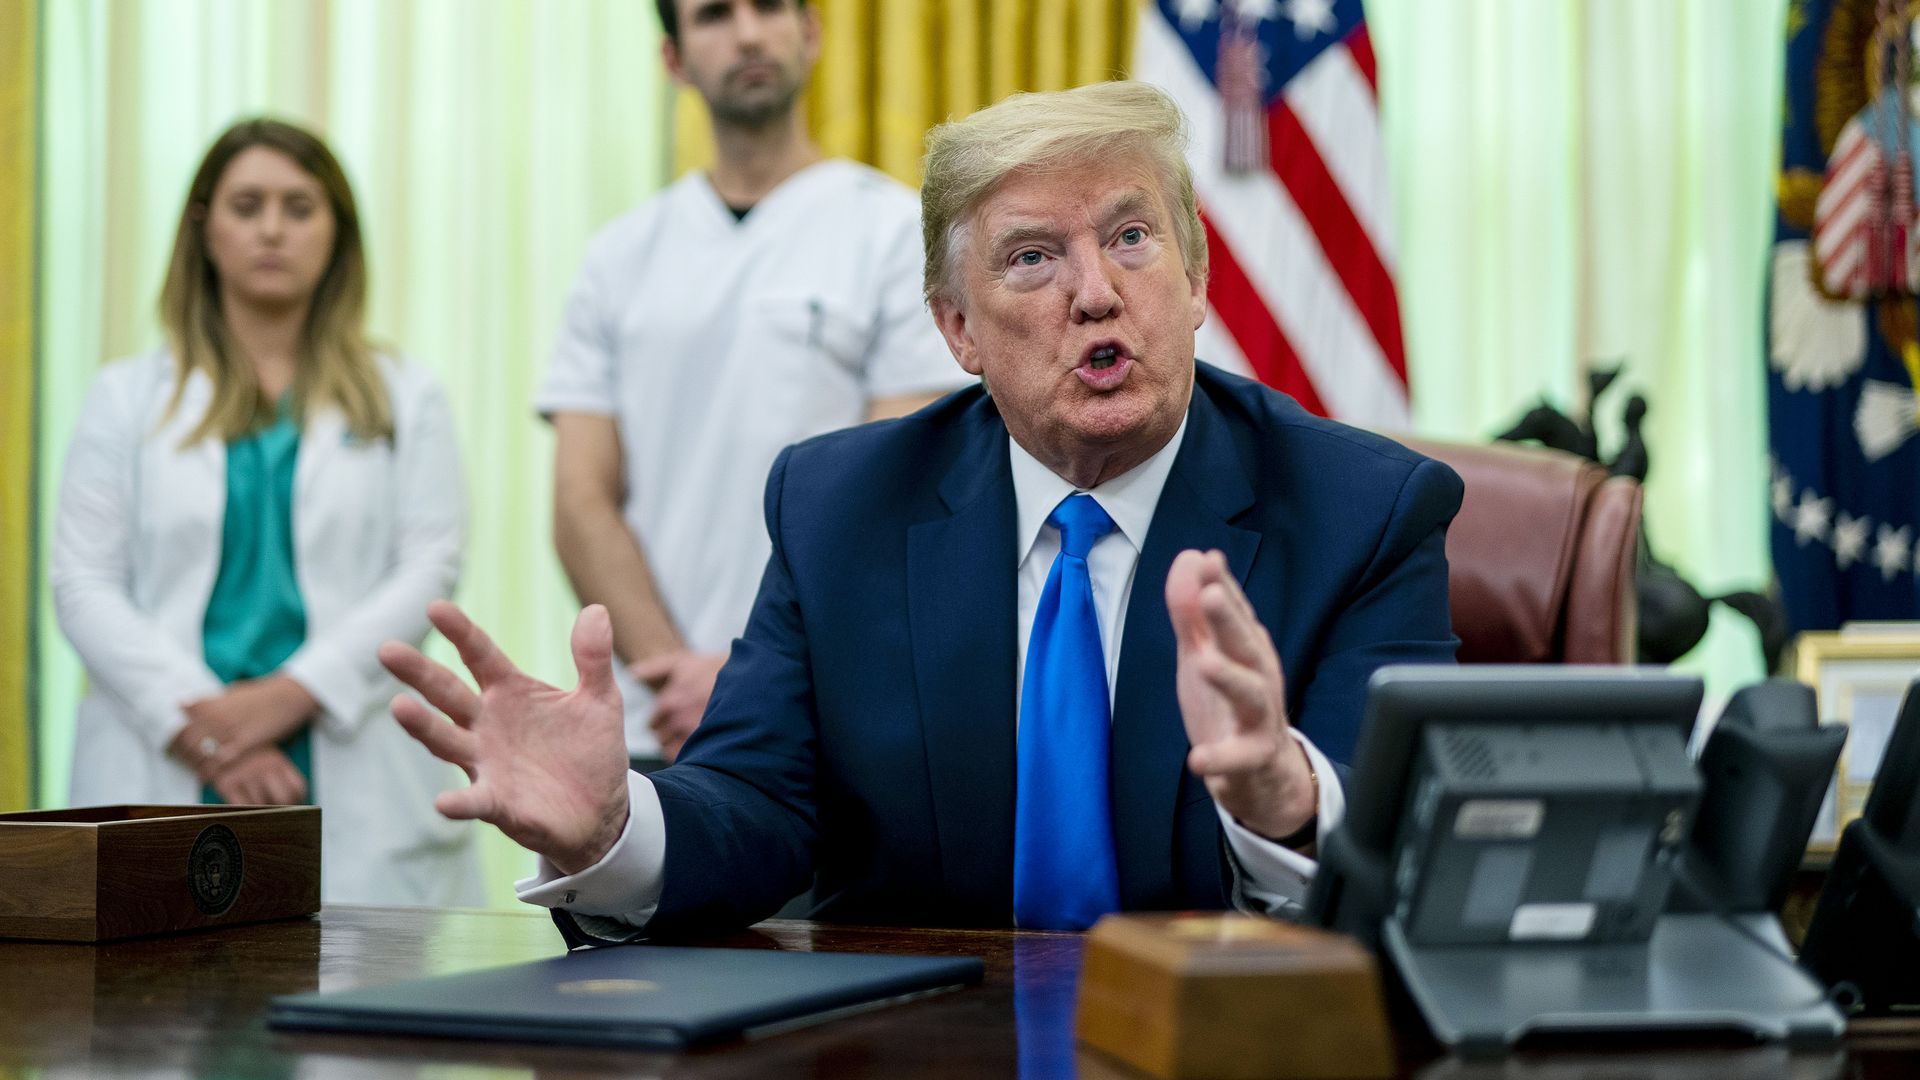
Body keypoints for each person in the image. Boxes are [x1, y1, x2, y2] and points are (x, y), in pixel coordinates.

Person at [383, 81, 1461, 937]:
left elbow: (1416, 866)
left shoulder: (1362, 511)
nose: (1096, 292)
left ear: (1196, 281)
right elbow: (759, 803)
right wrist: (617, 827)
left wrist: (1284, 799)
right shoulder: (840, 507)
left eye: (1132, 238)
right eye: (1035, 258)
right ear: (957, 333)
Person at [52, 118, 482, 907]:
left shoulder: (404, 394)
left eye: (299, 206)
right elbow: (83, 586)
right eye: (247, 206)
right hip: (168, 759)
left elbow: (428, 567)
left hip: (349, 765)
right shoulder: (125, 397)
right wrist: (211, 736)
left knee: (359, 1016)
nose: (273, 229)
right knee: (152, 1017)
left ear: (337, 235)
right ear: (204, 229)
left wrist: (291, 694)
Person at [542, 0, 969, 767]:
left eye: (769, 8)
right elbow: (580, 505)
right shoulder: (619, 256)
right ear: (673, 61)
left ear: (811, 35)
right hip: (654, 726)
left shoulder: (893, 233)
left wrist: (747, 681)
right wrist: (679, 676)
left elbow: (887, 496)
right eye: (712, 16)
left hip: (825, 726)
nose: (746, 33)